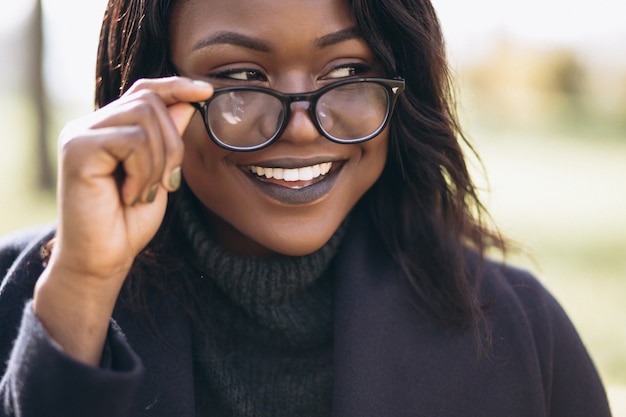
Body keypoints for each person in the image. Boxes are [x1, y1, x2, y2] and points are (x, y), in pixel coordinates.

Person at [0, 0, 613, 416]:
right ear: (149, 94)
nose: (299, 127)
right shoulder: (27, 297)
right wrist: (84, 283)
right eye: (242, 76)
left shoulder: (521, 330)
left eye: (347, 69)